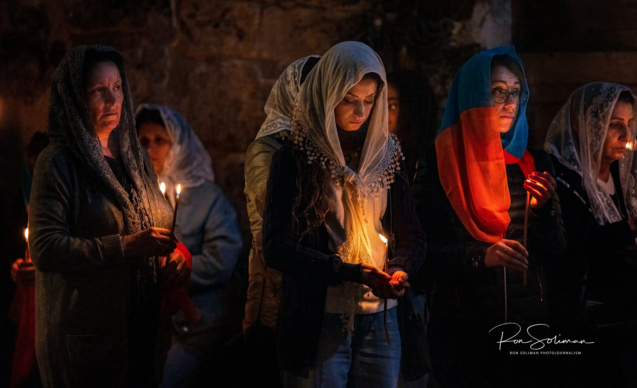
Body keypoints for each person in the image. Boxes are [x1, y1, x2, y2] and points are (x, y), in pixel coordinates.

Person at [263, 41, 426, 388]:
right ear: (326, 95)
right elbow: (276, 246)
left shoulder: (386, 157)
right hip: (320, 317)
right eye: (349, 99)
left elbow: (412, 234)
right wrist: (347, 271)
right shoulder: (295, 159)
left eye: (370, 101)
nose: (360, 111)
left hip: (382, 319)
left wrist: (399, 269)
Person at [29, 45, 190, 387]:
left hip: (143, 328)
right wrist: (124, 247)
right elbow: (45, 247)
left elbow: (156, 223)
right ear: (74, 98)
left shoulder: (136, 157)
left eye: (117, 88)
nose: (112, 100)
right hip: (90, 336)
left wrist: (174, 255)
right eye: (98, 91)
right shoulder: (58, 161)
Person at [412, 46, 565, 387]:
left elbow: (555, 253)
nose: (509, 102)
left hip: (527, 329)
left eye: (515, 92)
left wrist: (542, 211)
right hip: (464, 329)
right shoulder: (441, 164)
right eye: (497, 91)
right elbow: (422, 257)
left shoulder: (534, 163)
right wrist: (481, 257)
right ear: (473, 95)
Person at [136, 104, 243, 387]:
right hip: (146, 324)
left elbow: (222, 259)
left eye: (160, 140)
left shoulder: (208, 197)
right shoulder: (136, 194)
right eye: (143, 141)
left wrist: (180, 268)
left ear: (179, 143)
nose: (150, 149)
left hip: (197, 326)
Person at [545, 83, 637, 387]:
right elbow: (571, 246)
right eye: (614, 125)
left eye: (630, 124)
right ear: (582, 124)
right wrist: (630, 228)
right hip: (583, 324)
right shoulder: (562, 179)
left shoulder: (625, 178)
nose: (626, 136)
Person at [243, 55, 319, 387]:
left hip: (305, 288)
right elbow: (276, 219)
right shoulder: (269, 148)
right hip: (276, 292)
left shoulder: (316, 144)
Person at [386, 70, 438, 180]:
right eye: (379, 105)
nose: (381, 114)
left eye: (391, 106)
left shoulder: (432, 165)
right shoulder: (370, 159)